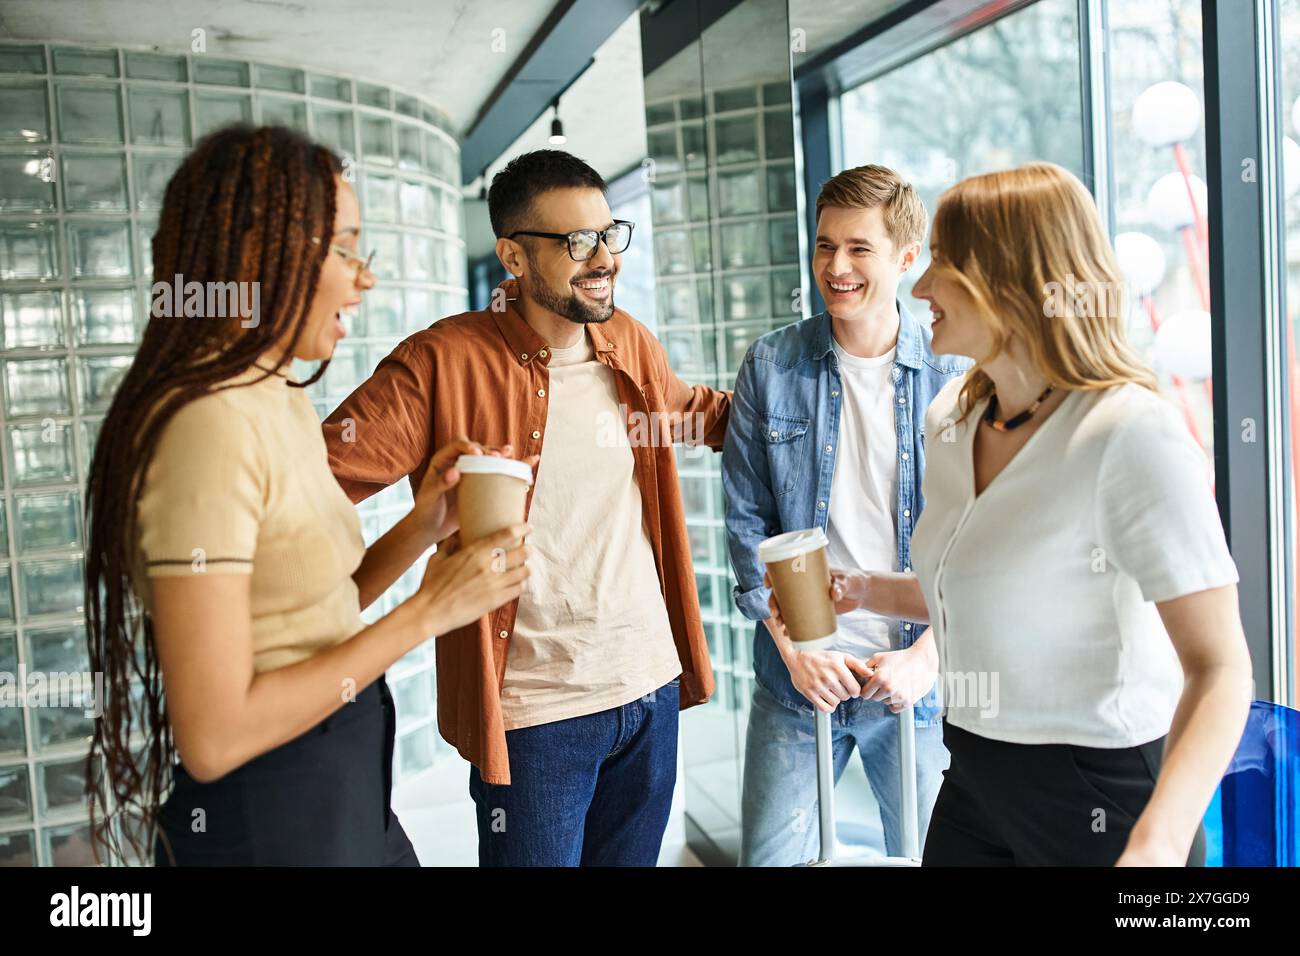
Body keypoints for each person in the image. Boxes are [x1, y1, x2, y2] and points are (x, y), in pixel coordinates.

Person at [771, 161, 1252, 866]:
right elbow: (977, 588)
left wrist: (1156, 843)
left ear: (1011, 282)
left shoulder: (1128, 435)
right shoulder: (952, 420)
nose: (923, 285)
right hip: (974, 774)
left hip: (1102, 795)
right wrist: (866, 589)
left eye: (945, 264)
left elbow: (1220, 669)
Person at [84, 125, 529, 866]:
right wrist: (430, 613)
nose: (366, 278)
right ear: (260, 251)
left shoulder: (277, 393)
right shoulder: (206, 423)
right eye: (346, 248)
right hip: (273, 813)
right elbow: (216, 734)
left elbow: (313, 610)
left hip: (344, 783)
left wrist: (424, 528)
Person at [322, 149, 731, 867]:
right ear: (513, 255)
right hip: (536, 720)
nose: (603, 257)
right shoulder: (439, 361)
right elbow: (316, 482)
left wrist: (817, 396)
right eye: (576, 242)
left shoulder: (628, 339)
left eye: (609, 234)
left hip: (649, 689)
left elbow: (692, 412)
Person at [723, 164, 968, 866]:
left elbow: (979, 545)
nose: (837, 266)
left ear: (905, 257)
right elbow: (749, 524)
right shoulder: (772, 365)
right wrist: (798, 648)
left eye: (859, 248)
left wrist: (928, 660)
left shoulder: (955, 375)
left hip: (910, 681)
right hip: (798, 678)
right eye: (825, 246)